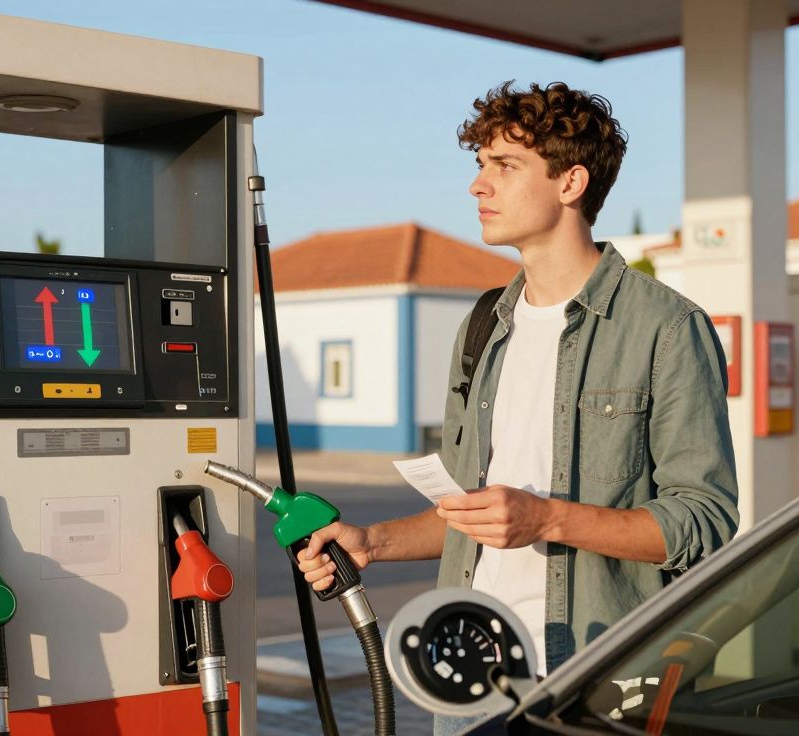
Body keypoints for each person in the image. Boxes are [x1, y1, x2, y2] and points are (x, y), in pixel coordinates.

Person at [297, 81, 739, 732]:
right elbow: (468, 515)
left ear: (571, 183)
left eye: (504, 166)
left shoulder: (667, 330)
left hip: (594, 684)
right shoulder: (483, 327)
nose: (479, 186)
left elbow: (704, 522)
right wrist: (373, 541)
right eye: (480, 166)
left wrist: (547, 518)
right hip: (471, 675)